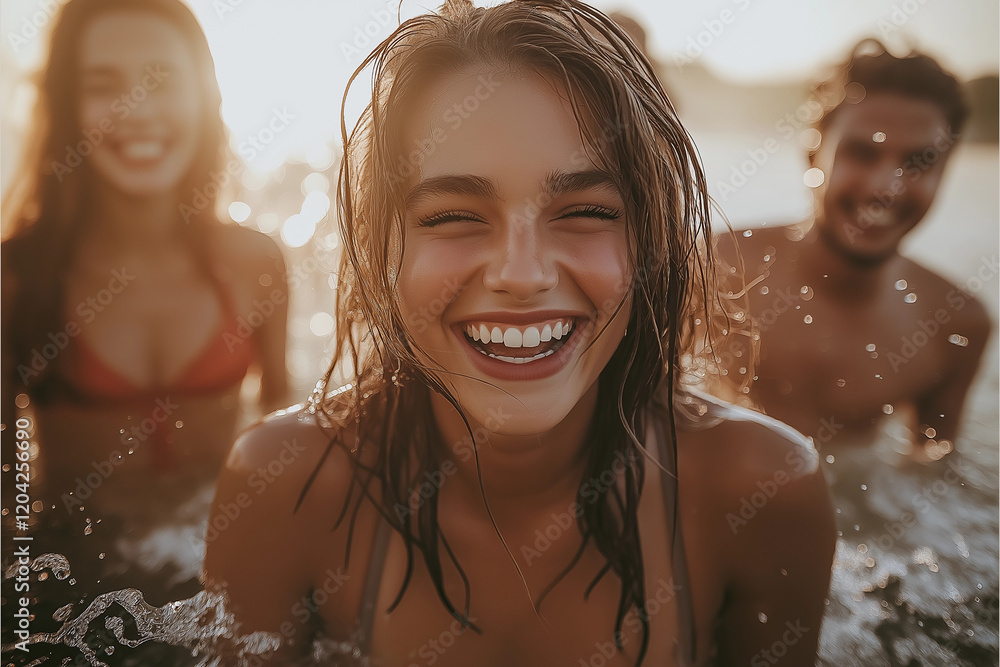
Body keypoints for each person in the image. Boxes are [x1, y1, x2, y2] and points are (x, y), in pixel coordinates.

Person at [204, 1, 835, 665]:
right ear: (373, 246)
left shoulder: (761, 491)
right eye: (452, 215)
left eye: (587, 210)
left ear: (652, 241)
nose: (522, 272)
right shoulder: (284, 484)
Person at [1, 0, 288, 604]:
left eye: (162, 81)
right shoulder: (17, 281)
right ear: (66, 108)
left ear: (206, 97)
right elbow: (5, 504)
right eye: (103, 85)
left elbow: (293, 446)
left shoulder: (254, 264)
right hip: (80, 600)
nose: (138, 110)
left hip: (225, 581)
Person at [716, 40, 990, 458]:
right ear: (814, 154)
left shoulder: (954, 323)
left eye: (918, 162)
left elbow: (932, 472)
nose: (886, 187)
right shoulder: (711, 268)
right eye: (862, 153)